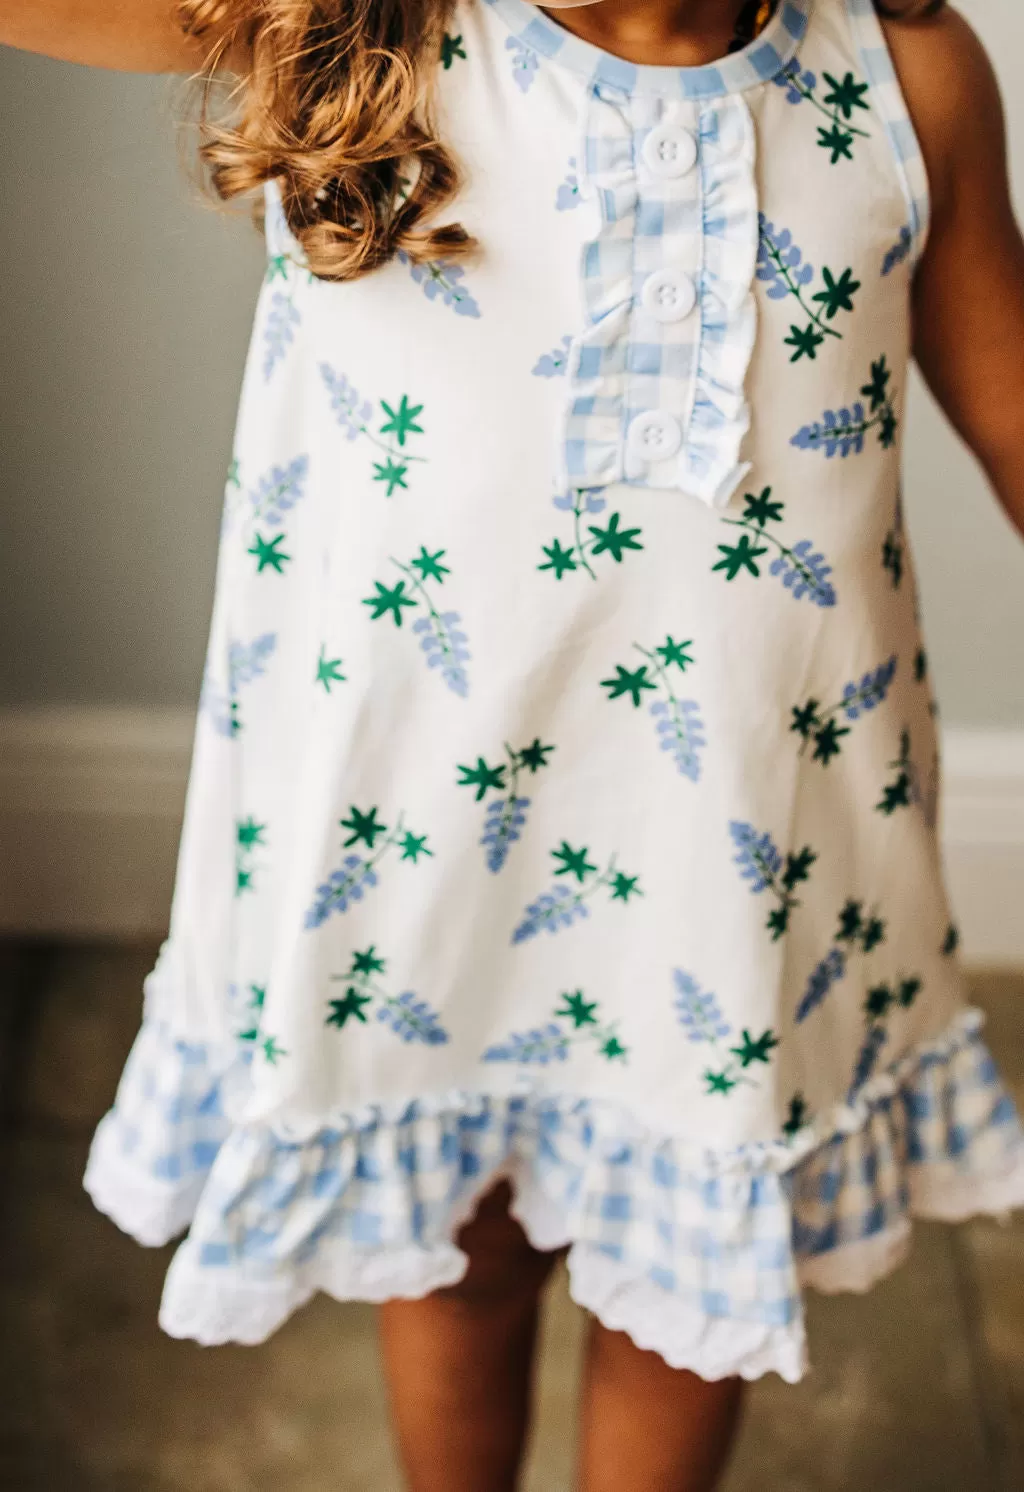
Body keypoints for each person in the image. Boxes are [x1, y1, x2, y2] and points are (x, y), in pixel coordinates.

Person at [5, 1, 1024, 1487]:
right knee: (456, 1241)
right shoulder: (362, 27)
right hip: (417, 836)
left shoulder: (902, 71)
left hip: (735, 849)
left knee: (688, 1284)